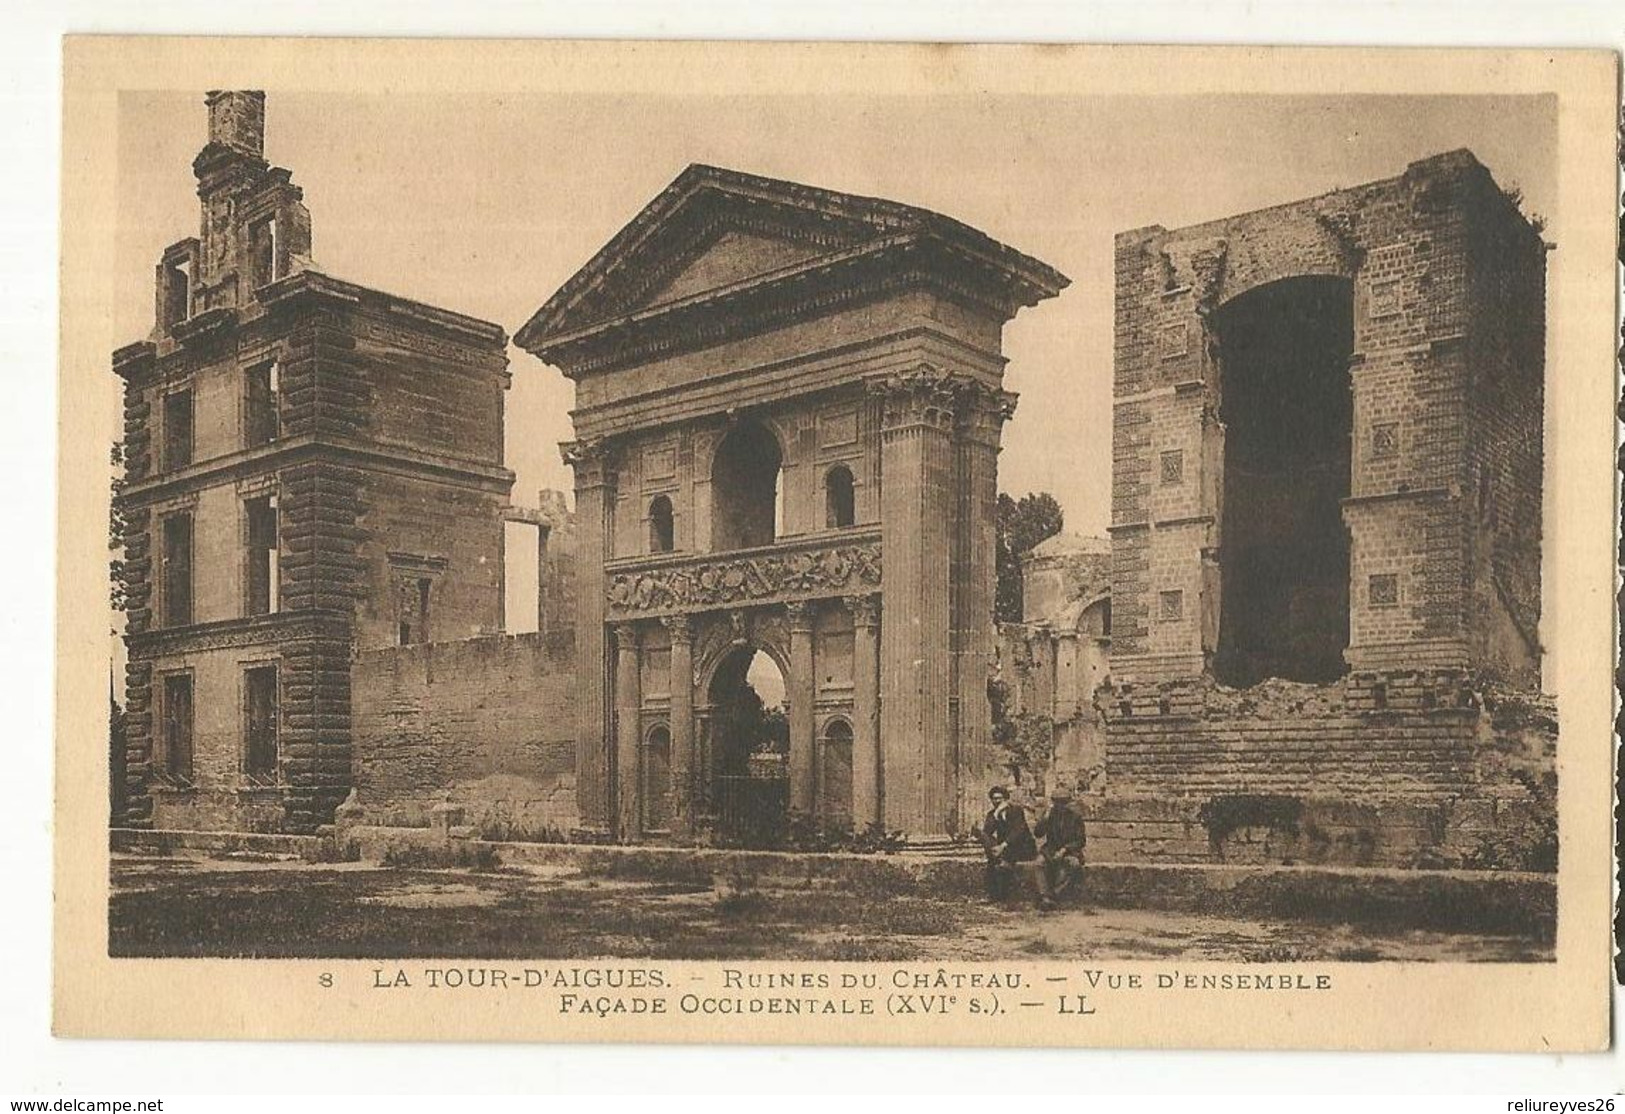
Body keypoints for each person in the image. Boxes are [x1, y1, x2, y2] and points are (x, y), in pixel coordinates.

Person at [974, 785, 1038, 902]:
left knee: (997, 860)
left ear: (1005, 799)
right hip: (1004, 850)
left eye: (999, 798)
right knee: (992, 860)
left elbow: (1018, 831)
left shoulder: (1016, 810)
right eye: (994, 799)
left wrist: (1003, 845)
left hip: (1022, 847)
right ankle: (994, 895)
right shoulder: (992, 814)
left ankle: (999, 894)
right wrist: (996, 814)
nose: (996, 801)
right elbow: (988, 832)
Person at [1033, 784, 1087, 909]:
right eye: (1057, 802)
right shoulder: (1049, 816)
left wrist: (1065, 850)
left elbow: (1080, 840)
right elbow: (1038, 834)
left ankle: (1053, 894)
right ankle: (1044, 896)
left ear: (1068, 802)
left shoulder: (1075, 817)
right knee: (1039, 863)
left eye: (1063, 802)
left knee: (1073, 864)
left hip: (1070, 851)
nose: (1060, 805)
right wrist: (1044, 818)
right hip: (1051, 849)